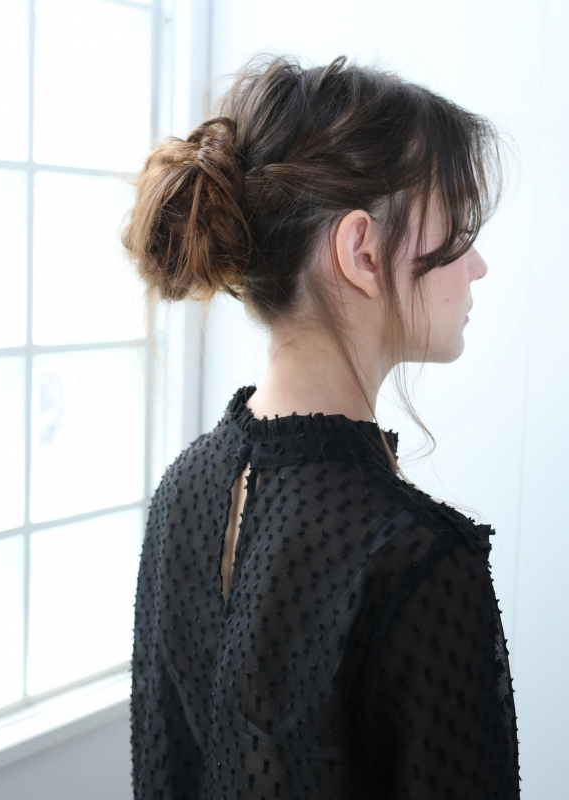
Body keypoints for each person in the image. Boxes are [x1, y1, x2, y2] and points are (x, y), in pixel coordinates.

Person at [122, 53, 521, 799]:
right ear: (361, 251)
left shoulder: (183, 491)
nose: (477, 267)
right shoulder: (423, 563)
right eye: (459, 228)